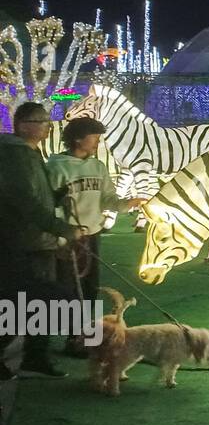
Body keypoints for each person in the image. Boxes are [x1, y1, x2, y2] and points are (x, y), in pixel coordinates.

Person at [44, 117, 146, 357]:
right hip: (67, 238)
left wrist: (127, 204)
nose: (98, 143)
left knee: (88, 288)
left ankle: (84, 336)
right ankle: (72, 338)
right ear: (78, 138)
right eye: (95, 137)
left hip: (92, 235)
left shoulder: (98, 167)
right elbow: (49, 205)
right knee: (69, 289)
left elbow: (108, 199)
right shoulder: (56, 167)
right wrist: (60, 235)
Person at [0, 102, 85, 380]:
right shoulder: (15, 155)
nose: (49, 128)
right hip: (21, 243)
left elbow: (35, 195)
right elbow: (25, 200)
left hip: (36, 241)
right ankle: (27, 357)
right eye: (43, 122)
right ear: (24, 125)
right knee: (27, 301)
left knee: (31, 303)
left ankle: (35, 357)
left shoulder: (29, 153)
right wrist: (62, 228)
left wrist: (57, 196)